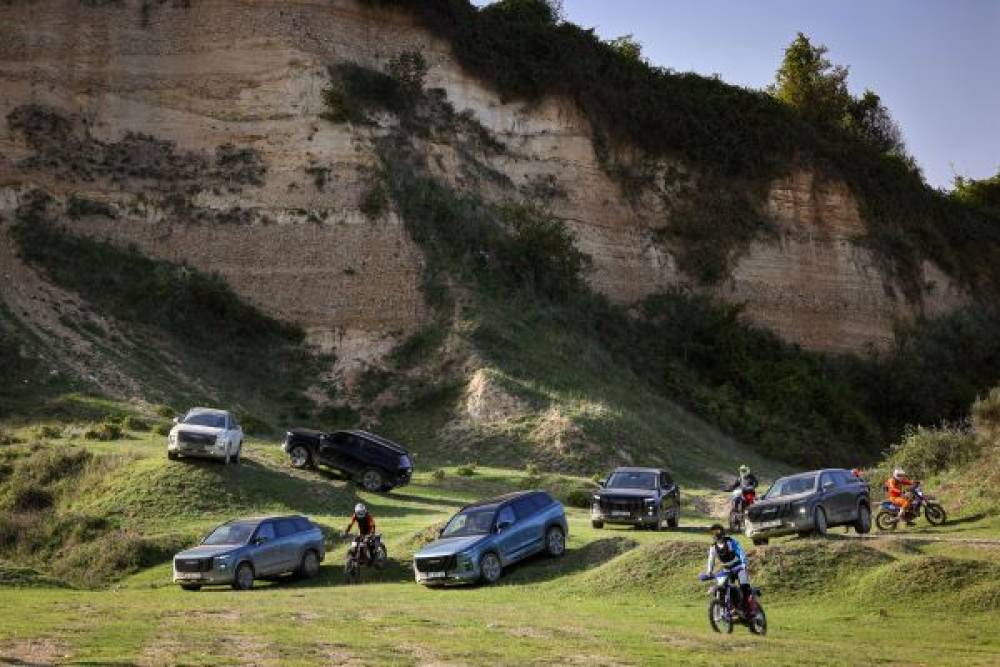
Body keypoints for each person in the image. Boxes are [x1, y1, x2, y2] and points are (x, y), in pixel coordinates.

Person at [700, 524, 758, 617]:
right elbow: (711, 560)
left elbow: (740, 551)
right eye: (713, 532)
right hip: (727, 569)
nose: (715, 534)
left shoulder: (730, 541)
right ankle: (732, 608)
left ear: (722, 532)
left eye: (717, 531)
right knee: (724, 587)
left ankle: (751, 608)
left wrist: (744, 563)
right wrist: (709, 571)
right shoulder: (713, 547)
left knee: (744, 586)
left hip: (739, 566)